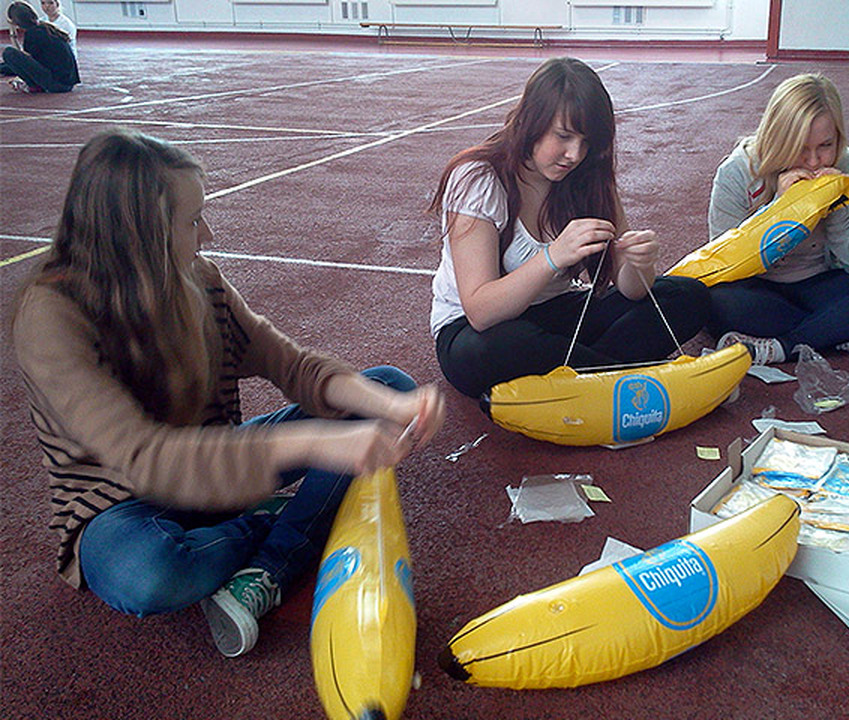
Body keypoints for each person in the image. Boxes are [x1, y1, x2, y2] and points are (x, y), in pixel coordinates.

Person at [12, 129, 445, 658]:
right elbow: (144, 458)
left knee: (387, 384)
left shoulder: (199, 279)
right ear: (139, 233)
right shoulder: (51, 317)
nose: (208, 234)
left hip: (216, 467)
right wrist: (316, 445)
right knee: (149, 574)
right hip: (121, 505)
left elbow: (290, 363)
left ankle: (262, 562)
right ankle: (275, 532)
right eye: (193, 220)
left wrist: (394, 406)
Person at [429, 57, 709, 399]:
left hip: (557, 315)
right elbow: (481, 312)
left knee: (686, 296)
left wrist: (640, 263)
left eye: (586, 142)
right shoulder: (478, 178)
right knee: (498, 348)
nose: (574, 154)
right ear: (532, 121)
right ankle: (631, 381)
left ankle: (584, 381)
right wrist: (553, 256)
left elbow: (631, 291)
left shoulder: (589, 177)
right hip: (478, 331)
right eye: (563, 136)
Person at [705, 73, 849, 365]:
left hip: (822, 283)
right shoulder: (738, 172)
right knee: (714, 300)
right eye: (800, 148)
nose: (813, 161)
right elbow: (724, 264)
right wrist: (780, 211)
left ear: (839, 138)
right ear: (776, 139)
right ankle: (838, 331)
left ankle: (783, 346)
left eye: (825, 146)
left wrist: (838, 209)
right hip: (759, 288)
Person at [2, 0, 78, 93]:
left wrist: (13, 35)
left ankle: (34, 85)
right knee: (8, 62)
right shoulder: (44, 27)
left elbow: (24, 62)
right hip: (66, 81)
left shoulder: (33, 33)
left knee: (9, 53)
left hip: (58, 84)